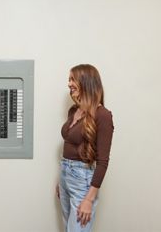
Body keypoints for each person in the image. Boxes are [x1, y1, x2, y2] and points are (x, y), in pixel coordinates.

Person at [56, 64, 114, 232]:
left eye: (73, 79)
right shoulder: (74, 110)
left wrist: (89, 199)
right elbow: (68, 146)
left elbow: (103, 161)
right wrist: (63, 179)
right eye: (69, 79)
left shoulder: (103, 115)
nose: (69, 84)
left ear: (86, 82)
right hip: (66, 175)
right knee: (69, 228)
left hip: (83, 181)